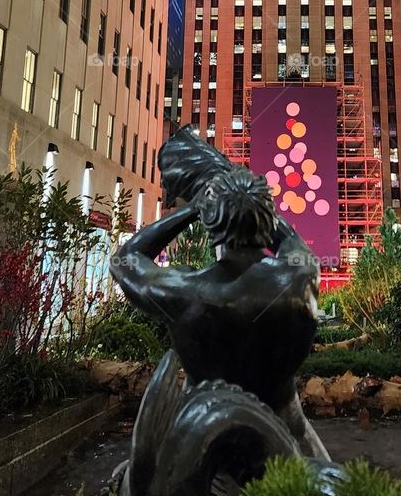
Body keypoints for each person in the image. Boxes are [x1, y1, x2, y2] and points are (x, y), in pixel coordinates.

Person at [110, 125, 326, 456]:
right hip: (291, 444)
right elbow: (289, 240)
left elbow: (125, 259)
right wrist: (250, 200)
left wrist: (194, 207)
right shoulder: (300, 278)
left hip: (201, 449)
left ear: (209, 219)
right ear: (267, 218)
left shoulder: (185, 292)